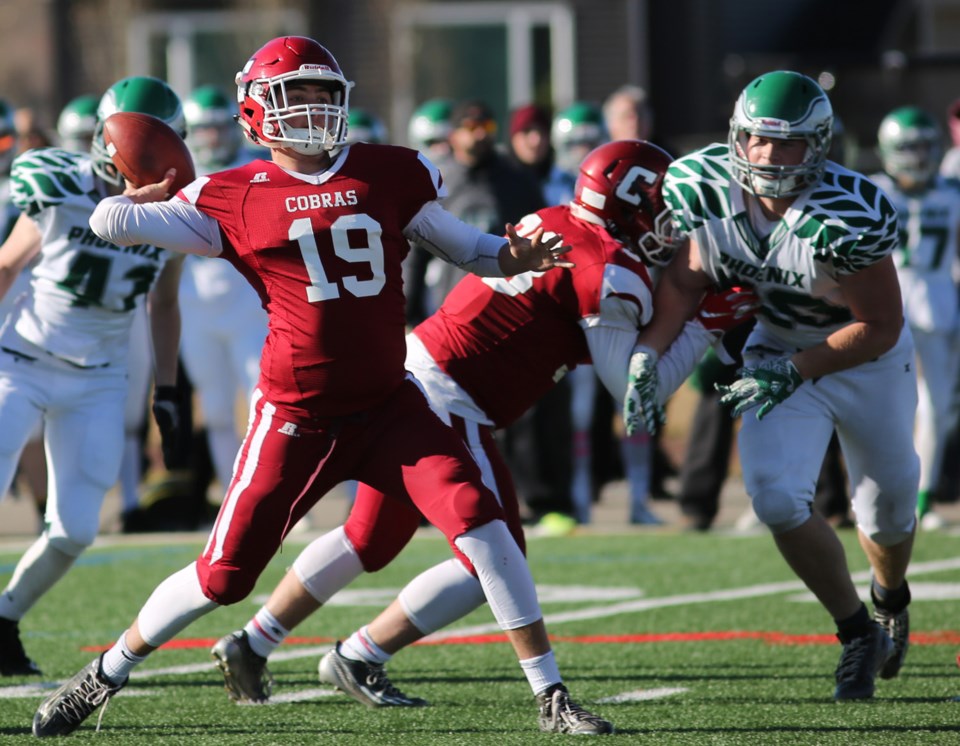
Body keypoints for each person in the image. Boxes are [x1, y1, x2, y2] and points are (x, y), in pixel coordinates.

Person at [32, 36, 611, 737]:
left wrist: (509, 254)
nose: (311, 108)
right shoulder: (231, 193)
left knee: (479, 518)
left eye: (322, 93)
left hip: (389, 403)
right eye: (293, 95)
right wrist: (140, 195)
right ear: (255, 111)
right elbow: (108, 222)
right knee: (224, 577)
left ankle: (550, 693)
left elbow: (466, 247)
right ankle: (107, 670)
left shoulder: (390, 171)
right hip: (297, 415)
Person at [207, 139, 749, 708]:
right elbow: (635, 396)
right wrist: (705, 323)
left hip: (423, 370)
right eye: (661, 208)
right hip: (451, 397)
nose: (671, 225)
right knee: (491, 558)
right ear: (631, 205)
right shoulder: (609, 267)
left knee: (372, 537)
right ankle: (361, 655)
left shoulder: (559, 219)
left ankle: (254, 641)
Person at [623, 70, 917, 701]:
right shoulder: (704, 188)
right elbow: (683, 282)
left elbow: (882, 325)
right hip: (777, 348)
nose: (766, 155)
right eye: (756, 139)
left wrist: (797, 369)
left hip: (861, 359)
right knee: (776, 499)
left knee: (887, 510)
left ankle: (891, 594)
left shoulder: (849, 212)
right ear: (737, 135)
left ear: (818, 146)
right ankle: (856, 631)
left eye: (786, 144)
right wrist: (649, 355)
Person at [0, 76, 185, 677]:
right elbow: (6, 264)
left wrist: (170, 387)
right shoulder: (61, 186)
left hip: (99, 379)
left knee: (75, 530)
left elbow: (164, 304)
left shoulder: (176, 210)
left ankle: (3, 620)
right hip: (22, 360)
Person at [871, 106, 960, 530]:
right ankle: (881, 491)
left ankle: (921, 497)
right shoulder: (873, 192)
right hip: (888, 302)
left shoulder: (951, 191)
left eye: (926, 147)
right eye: (910, 148)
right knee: (885, 405)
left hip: (941, 303)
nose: (920, 157)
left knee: (939, 406)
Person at [179, 84, 265, 501]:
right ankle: (236, 496)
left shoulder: (257, 168)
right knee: (214, 409)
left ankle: (274, 497)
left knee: (263, 404)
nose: (212, 138)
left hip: (251, 307)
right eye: (203, 130)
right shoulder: (177, 174)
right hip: (196, 309)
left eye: (219, 128)